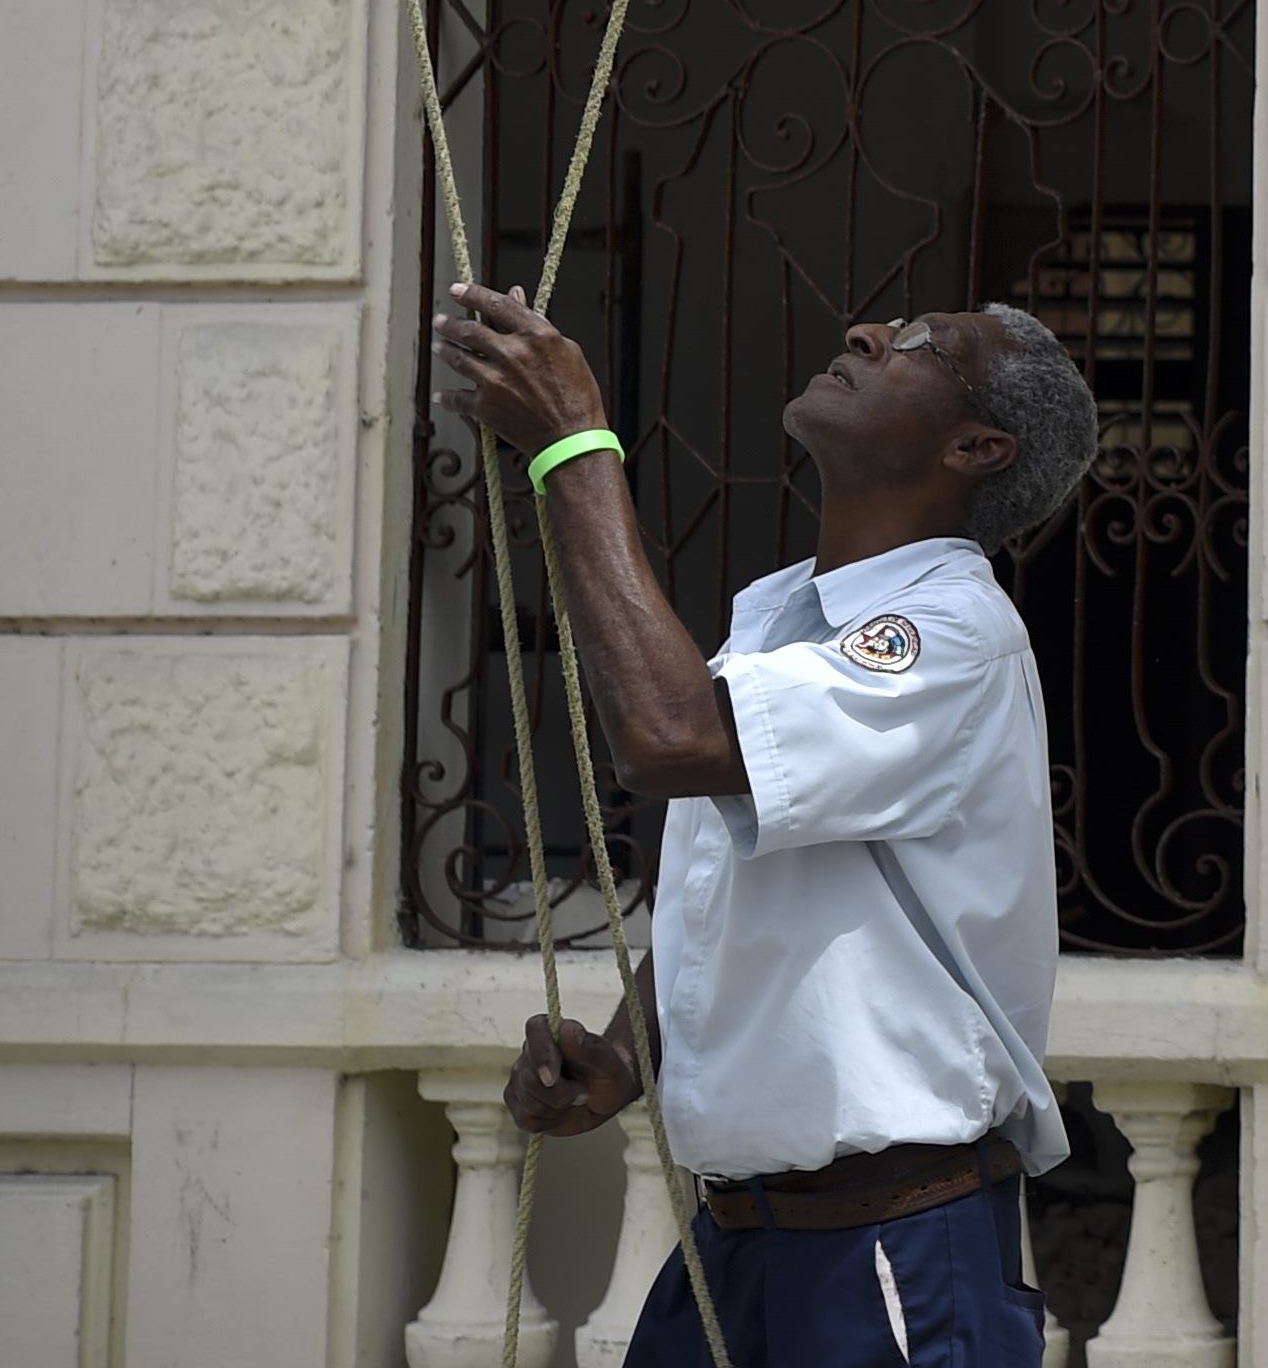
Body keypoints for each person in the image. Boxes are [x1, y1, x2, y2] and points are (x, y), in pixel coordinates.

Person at [439, 281, 1103, 1367]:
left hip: (888, 1251)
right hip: (740, 1241)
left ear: (977, 446)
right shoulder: (785, 613)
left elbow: (664, 736)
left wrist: (574, 445)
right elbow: (744, 895)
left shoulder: (952, 635)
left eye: (923, 345)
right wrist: (621, 1055)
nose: (866, 332)